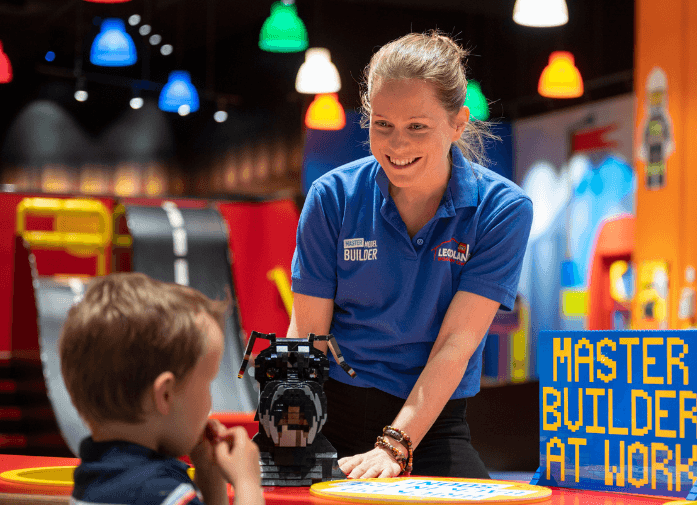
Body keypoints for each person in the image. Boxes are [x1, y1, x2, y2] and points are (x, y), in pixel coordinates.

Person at [287, 31, 533, 479]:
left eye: (417, 126)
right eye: (383, 125)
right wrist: (293, 429)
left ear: (458, 123)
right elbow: (307, 336)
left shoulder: (503, 210)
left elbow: (456, 345)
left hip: (432, 424)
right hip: (331, 411)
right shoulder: (331, 197)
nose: (396, 146)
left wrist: (394, 446)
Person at [59, 273, 263, 505]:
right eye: (208, 382)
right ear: (165, 395)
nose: (210, 401)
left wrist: (210, 478)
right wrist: (247, 483)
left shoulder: (94, 478)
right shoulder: (162, 494)